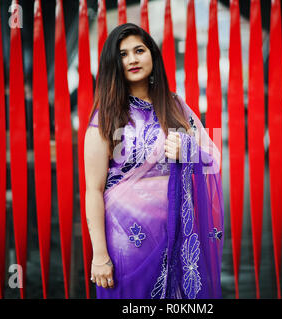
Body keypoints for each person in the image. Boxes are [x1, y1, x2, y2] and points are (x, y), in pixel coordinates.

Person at [83, 23, 223, 299]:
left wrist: (188, 151)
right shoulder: (105, 117)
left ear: (152, 55)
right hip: (126, 242)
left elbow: (213, 160)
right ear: (114, 63)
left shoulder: (175, 106)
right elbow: (94, 190)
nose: (133, 59)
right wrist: (99, 253)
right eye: (123, 54)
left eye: (139, 50)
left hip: (174, 235)